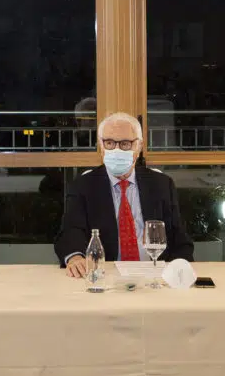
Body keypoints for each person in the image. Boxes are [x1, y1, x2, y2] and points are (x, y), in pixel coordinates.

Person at [55, 112, 194, 277]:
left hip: (154, 276)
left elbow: (180, 240)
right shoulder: (83, 185)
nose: (116, 150)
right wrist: (75, 257)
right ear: (100, 146)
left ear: (139, 146)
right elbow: (70, 232)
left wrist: (178, 271)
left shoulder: (162, 184)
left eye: (125, 144)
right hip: (105, 274)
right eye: (109, 143)